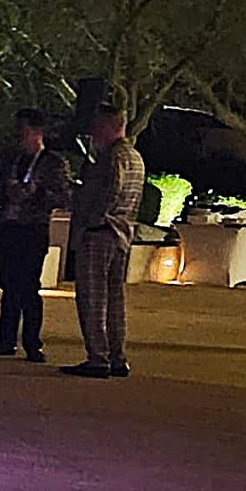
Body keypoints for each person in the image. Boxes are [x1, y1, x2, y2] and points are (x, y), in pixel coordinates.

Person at [0, 107, 71, 362]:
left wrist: (36, 192)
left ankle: (32, 343)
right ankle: (5, 340)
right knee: (8, 285)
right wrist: (8, 192)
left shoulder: (52, 162)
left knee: (29, 287)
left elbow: (63, 197)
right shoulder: (12, 160)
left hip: (32, 230)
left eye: (24, 129)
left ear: (37, 132)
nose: (18, 135)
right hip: (7, 227)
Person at [63, 105, 146, 378]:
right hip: (122, 234)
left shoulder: (112, 158)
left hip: (101, 232)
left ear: (111, 126)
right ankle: (117, 357)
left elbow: (109, 191)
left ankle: (98, 357)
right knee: (114, 299)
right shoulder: (135, 157)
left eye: (99, 127)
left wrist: (89, 220)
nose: (94, 132)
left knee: (92, 298)